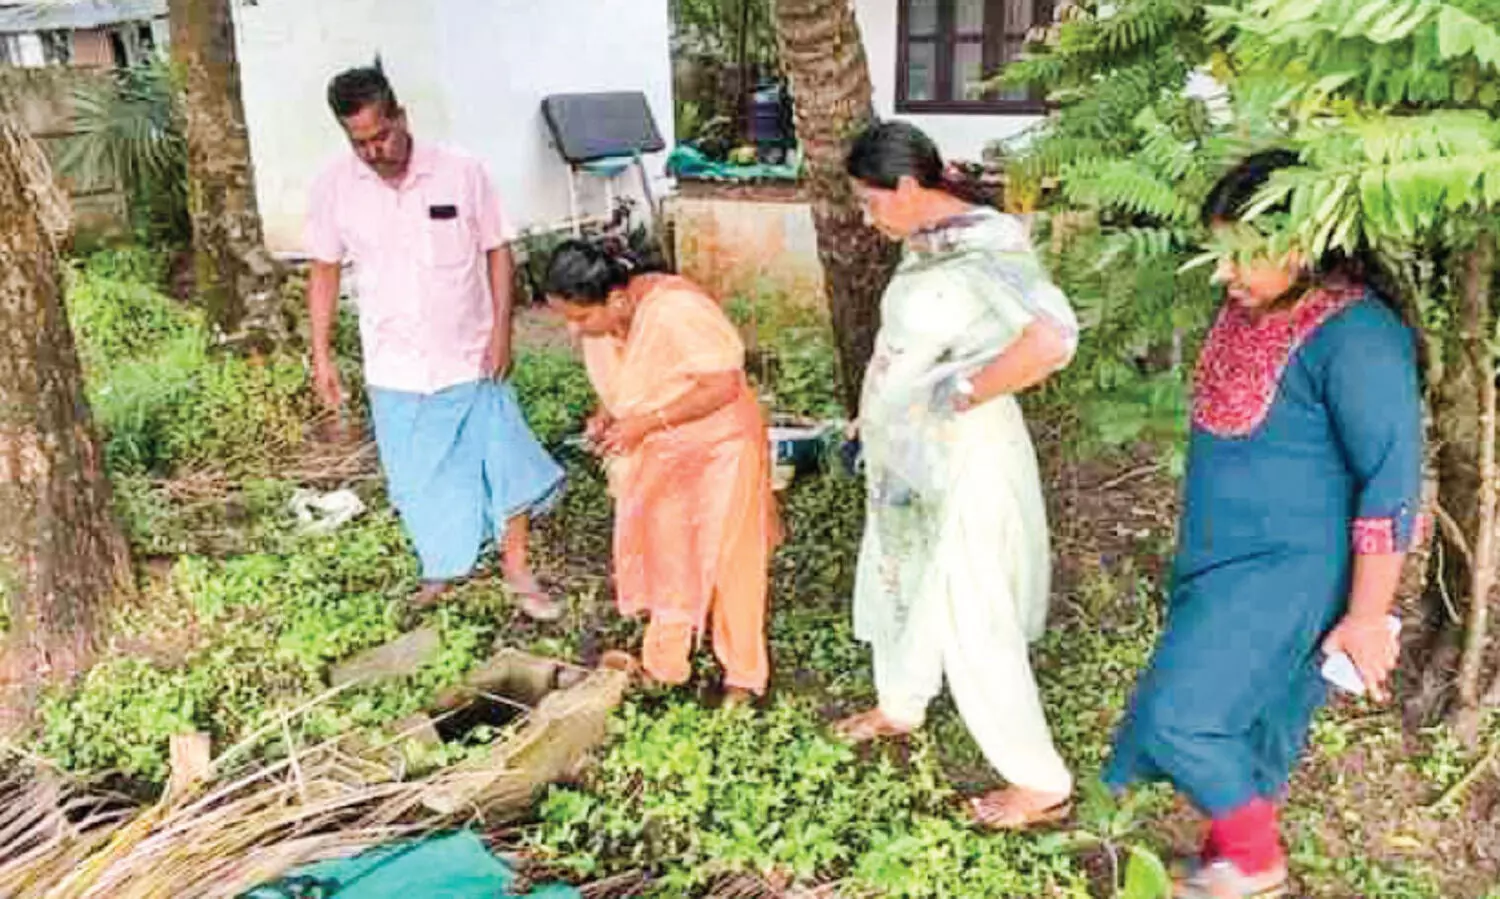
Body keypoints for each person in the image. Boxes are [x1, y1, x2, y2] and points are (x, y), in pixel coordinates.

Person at [1104, 151, 1423, 898]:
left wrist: (1368, 615)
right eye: (1218, 255)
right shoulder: (1254, 305)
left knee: (1180, 714)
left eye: (1241, 254)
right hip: (1220, 559)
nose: (1224, 274)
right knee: (1252, 715)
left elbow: (1392, 479)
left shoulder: (1359, 335)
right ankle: (1228, 855)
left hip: (1290, 570)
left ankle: (1253, 860)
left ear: (1305, 239)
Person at [833, 121, 1080, 829]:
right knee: (901, 569)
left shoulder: (987, 245)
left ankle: (1039, 780)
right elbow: (906, 344)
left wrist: (965, 393)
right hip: (907, 453)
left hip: (966, 453)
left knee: (973, 608)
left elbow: (1053, 340)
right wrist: (873, 410)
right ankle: (899, 702)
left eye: (870, 200)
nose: (866, 214)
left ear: (909, 187)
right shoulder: (926, 243)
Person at [303, 66, 564, 619]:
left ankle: (518, 570)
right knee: (419, 478)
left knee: (504, 457)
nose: (375, 151)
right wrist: (322, 353)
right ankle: (442, 569)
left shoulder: (461, 171)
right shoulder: (333, 187)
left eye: (382, 136)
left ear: (401, 116)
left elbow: (497, 249)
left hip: (470, 354)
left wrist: (502, 331)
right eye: (361, 144)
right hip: (394, 364)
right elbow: (324, 270)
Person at [542, 239, 779, 703]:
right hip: (661, 448)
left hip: (722, 446)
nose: (573, 331)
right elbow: (630, 384)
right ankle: (665, 664)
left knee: (732, 562)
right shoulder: (605, 323)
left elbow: (723, 385)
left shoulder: (675, 311)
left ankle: (744, 677)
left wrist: (647, 423)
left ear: (615, 299)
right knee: (666, 550)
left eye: (579, 317)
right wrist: (608, 416)